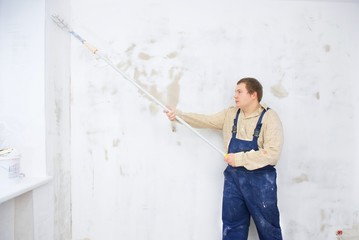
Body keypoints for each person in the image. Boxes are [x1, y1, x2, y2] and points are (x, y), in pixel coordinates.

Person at [165, 77, 284, 240]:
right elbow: (206, 120)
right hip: (233, 181)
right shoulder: (230, 114)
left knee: (268, 228)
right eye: (235, 92)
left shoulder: (269, 117)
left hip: (261, 183)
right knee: (232, 227)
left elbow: (272, 153)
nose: (235, 95)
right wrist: (179, 116)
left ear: (253, 95)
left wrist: (240, 159)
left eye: (239, 91)